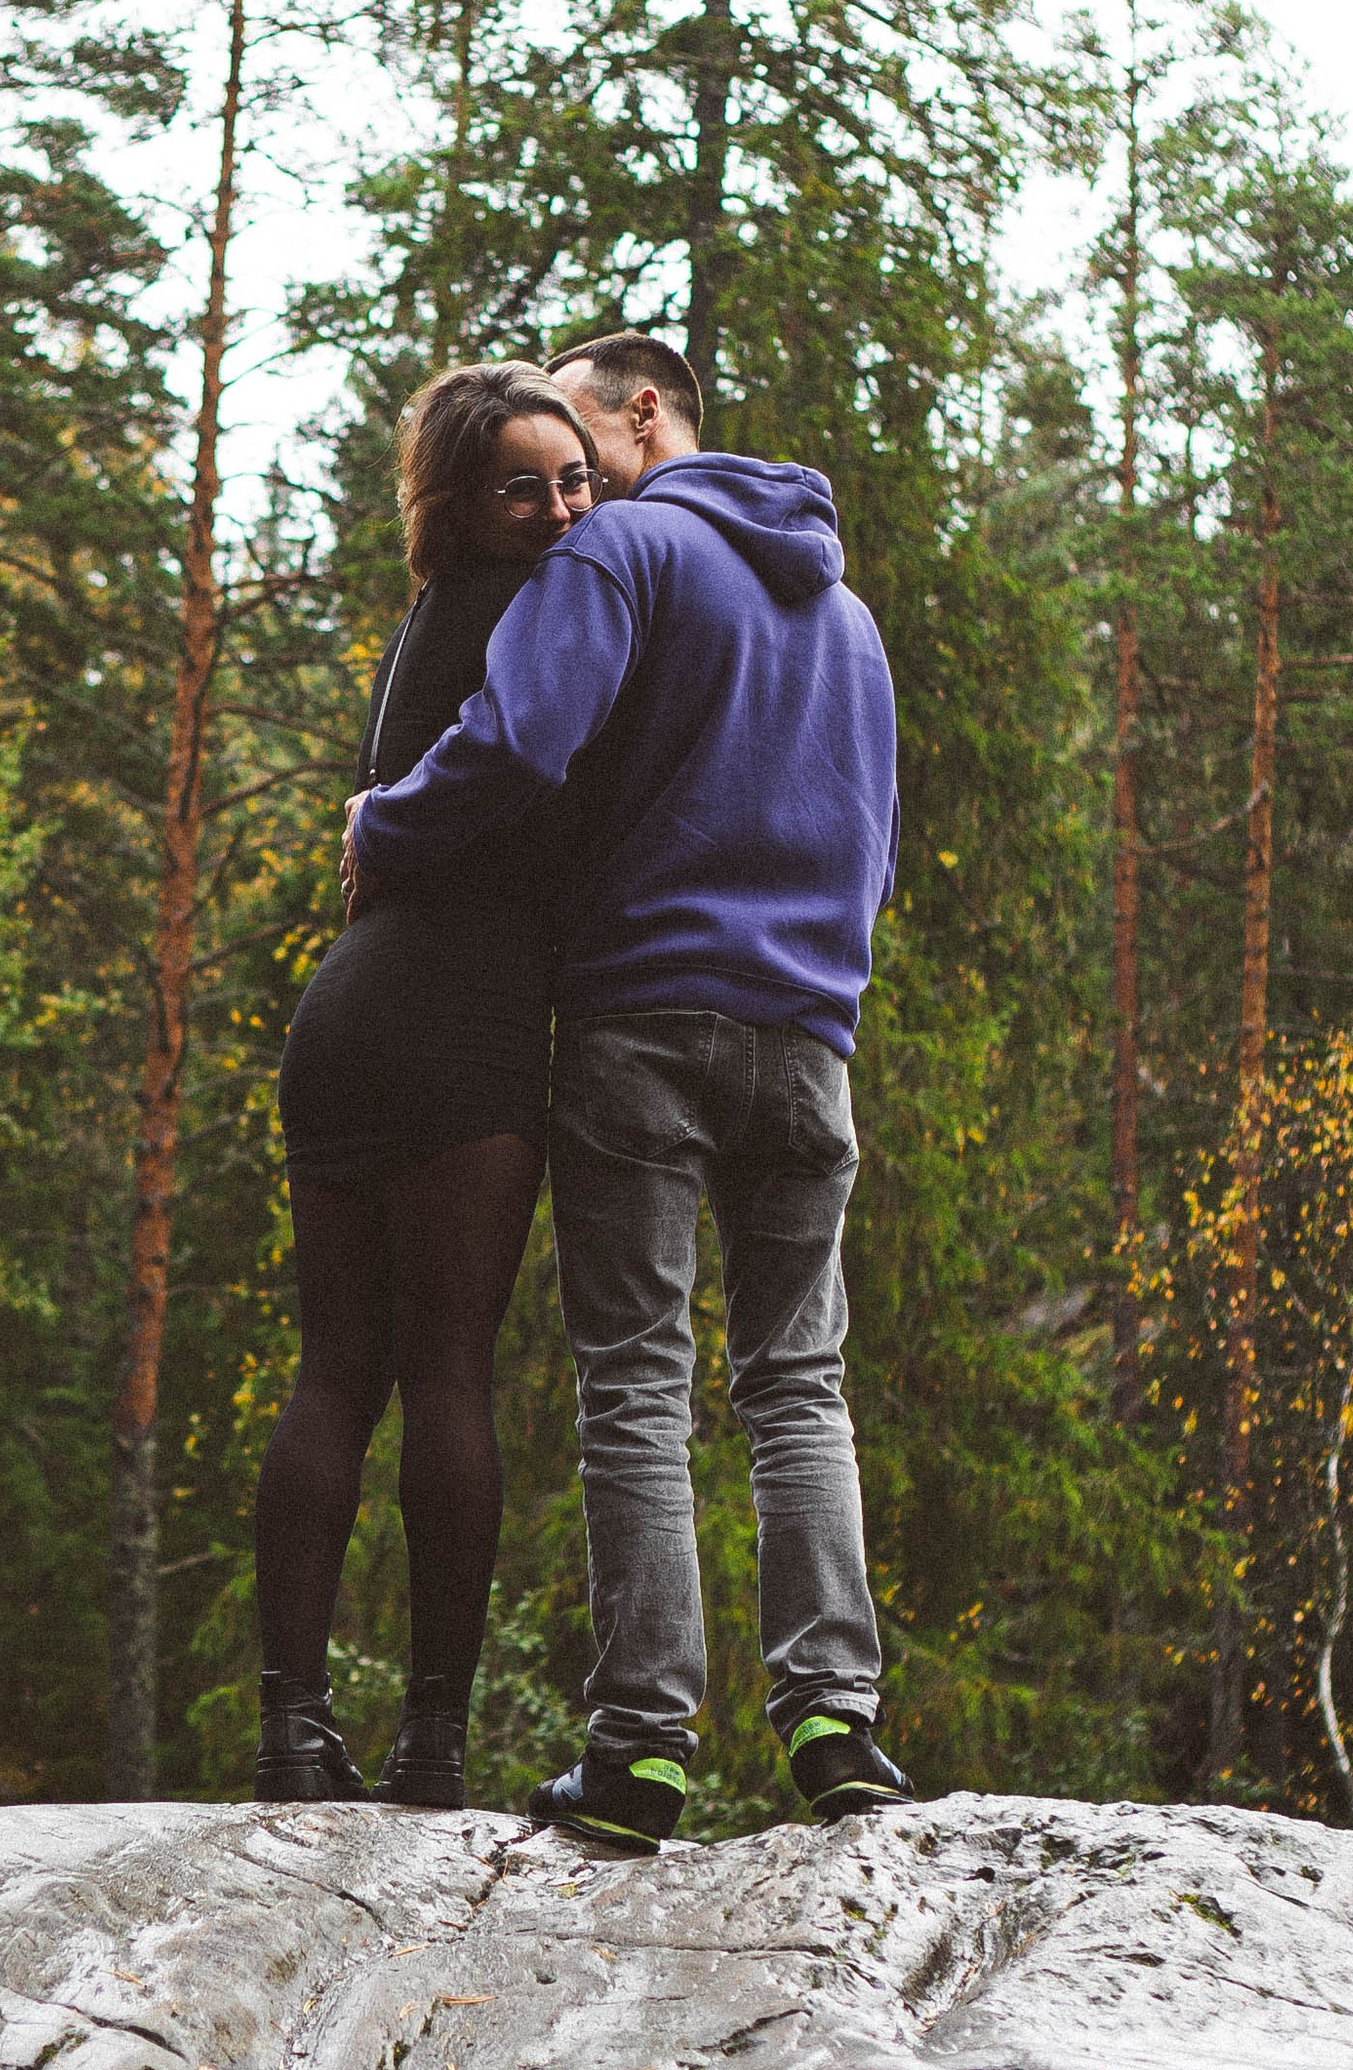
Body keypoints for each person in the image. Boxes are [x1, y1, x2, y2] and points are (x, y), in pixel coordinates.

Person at [344, 327, 910, 1856]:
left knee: (639, 1384)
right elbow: (875, 846)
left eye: (581, 437)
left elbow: (520, 739)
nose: (569, 481)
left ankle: (641, 1752)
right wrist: (820, 981)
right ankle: (834, 1726)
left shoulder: (627, 556)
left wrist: (383, 823)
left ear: (643, 409)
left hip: (645, 1017)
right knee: (799, 1382)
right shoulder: (845, 611)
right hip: (809, 1032)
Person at [253, 362, 600, 1808]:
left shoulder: (426, 622)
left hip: (344, 1010)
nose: (563, 507)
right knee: (443, 1366)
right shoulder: (549, 617)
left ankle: (291, 1731)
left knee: (338, 1369)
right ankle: (433, 1746)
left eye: (575, 476)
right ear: (461, 505)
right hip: (458, 1018)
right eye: (524, 486)